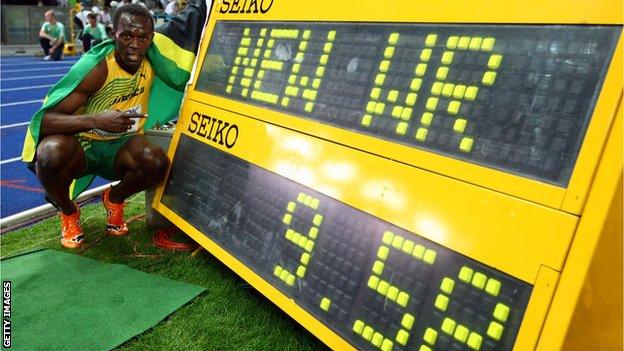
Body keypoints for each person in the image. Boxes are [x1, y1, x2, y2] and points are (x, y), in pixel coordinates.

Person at [22, 2, 209, 249]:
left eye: (143, 37)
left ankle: (114, 199)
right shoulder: (96, 68)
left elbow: (189, 29)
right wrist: (95, 120)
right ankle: (68, 212)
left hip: (121, 146)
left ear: (151, 38)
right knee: (50, 154)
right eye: (127, 35)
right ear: (113, 34)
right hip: (83, 146)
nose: (135, 44)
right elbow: (44, 122)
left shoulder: (154, 58)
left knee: (157, 163)